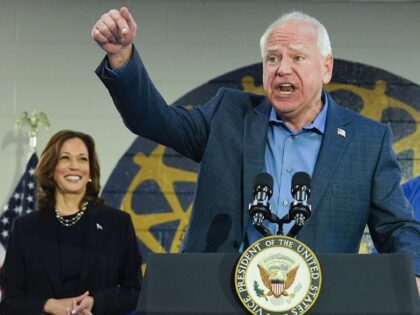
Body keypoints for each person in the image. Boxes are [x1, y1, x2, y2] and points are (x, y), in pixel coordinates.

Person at [92, 7, 420, 294]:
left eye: (297, 57)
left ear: (326, 67)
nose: (282, 69)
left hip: (321, 300)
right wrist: (122, 57)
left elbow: (395, 227)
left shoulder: (367, 140)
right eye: (273, 58)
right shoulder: (227, 115)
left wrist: (415, 276)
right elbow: (153, 120)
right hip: (219, 295)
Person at [0, 130, 142, 315]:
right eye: (65, 158)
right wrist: (49, 305)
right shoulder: (26, 227)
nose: (75, 166)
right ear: (51, 169)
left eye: (83, 159)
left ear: (90, 171)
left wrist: (95, 302)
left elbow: (135, 292)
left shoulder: (117, 223)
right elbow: (10, 301)